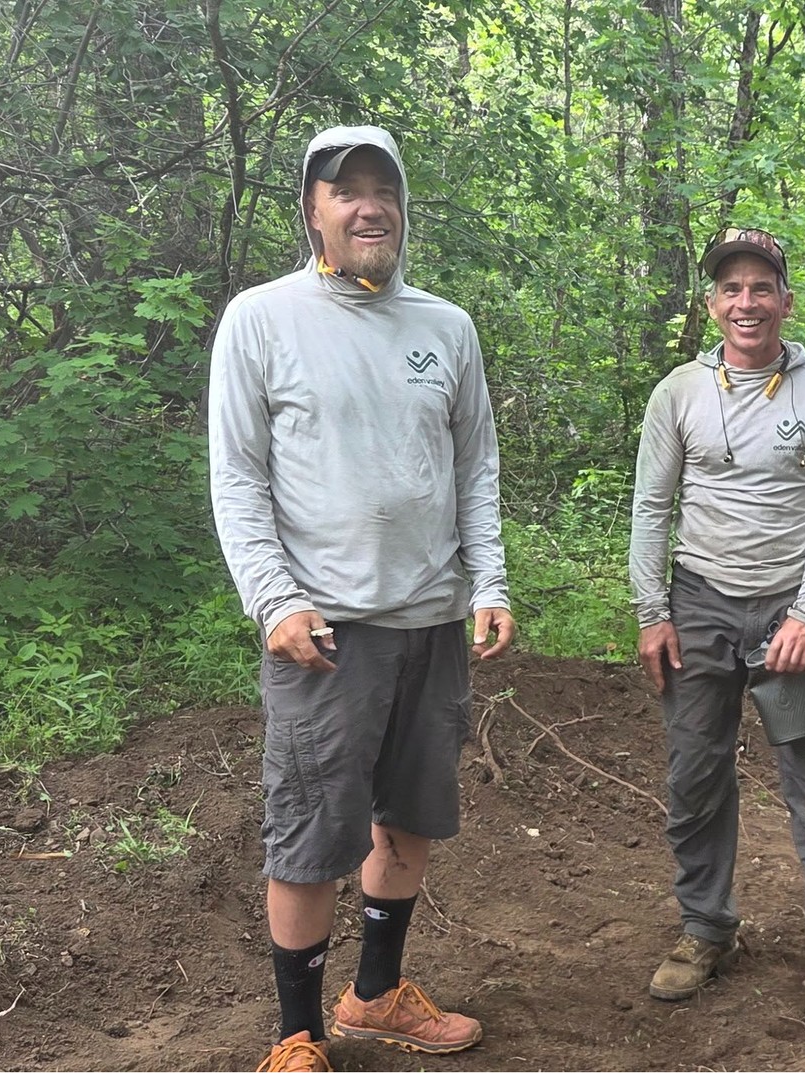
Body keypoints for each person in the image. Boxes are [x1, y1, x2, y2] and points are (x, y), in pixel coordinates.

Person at [209, 125, 516, 1072]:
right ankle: (296, 1034)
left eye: (382, 188)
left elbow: (475, 466)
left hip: (432, 619)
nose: (367, 204)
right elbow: (238, 477)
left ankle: (375, 994)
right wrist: (274, 600)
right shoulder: (261, 319)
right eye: (346, 191)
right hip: (324, 634)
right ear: (314, 210)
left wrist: (489, 578)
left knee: (412, 815)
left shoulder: (445, 327)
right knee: (308, 835)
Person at [628, 226, 805, 1013]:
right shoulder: (678, 391)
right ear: (712, 302)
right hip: (701, 604)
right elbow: (653, 506)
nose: (746, 302)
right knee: (695, 778)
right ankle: (704, 928)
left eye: (761, 288)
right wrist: (653, 612)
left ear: (785, 299)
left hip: (790, 614)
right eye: (731, 288)